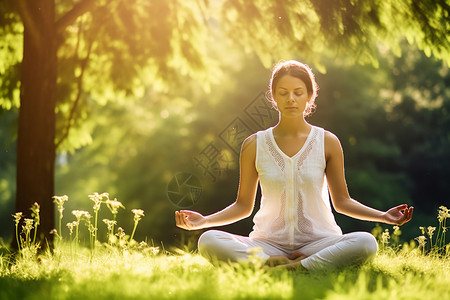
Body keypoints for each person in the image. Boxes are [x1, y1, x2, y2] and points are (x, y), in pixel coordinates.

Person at [175, 60, 413, 271]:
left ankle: (296, 266)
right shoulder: (254, 145)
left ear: (309, 96)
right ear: (274, 97)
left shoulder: (327, 142)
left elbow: (342, 202)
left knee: (366, 243)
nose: (291, 98)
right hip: (267, 244)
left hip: (319, 243)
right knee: (208, 240)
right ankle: (274, 262)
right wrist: (204, 221)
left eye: (298, 92)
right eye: (284, 92)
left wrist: (384, 217)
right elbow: (243, 206)